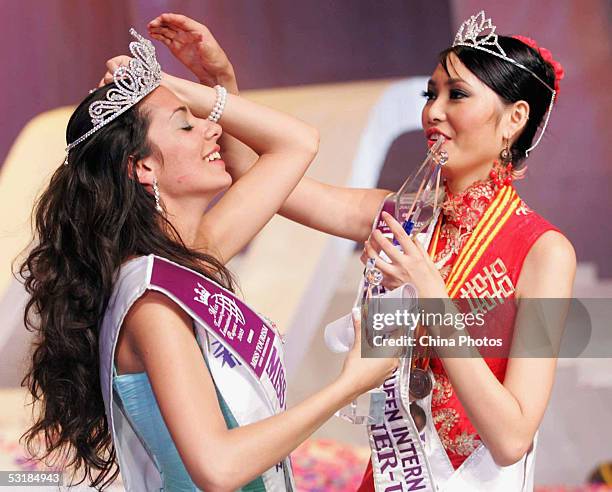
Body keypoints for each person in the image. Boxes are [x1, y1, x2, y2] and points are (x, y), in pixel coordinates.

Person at [147, 10, 576, 491]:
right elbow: (269, 183)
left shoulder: (546, 253)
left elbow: (513, 437)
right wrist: (220, 84)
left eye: (457, 95)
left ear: (514, 119)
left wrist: (431, 297)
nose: (433, 111)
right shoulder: (404, 216)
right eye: (430, 94)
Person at [18, 28, 398, 491]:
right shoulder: (153, 303)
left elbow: (298, 143)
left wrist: (203, 84)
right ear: (143, 167)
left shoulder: (191, 257)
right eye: (186, 123)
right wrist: (348, 384)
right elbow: (217, 468)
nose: (211, 126)